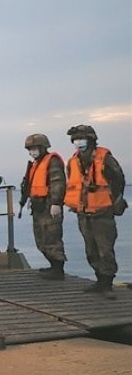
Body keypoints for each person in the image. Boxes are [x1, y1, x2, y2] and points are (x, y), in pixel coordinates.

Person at [63, 124, 126, 296]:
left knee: (105, 249)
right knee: (90, 249)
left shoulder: (105, 158)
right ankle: (99, 280)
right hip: (83, 213)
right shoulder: (72, 161)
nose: (78, 143)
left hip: (103, 212)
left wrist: (116, 200)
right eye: (75, 140)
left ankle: (107, 284)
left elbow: (118, 179)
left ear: (91, 140)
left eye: (81, 139)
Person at [20, 133, 67, 280]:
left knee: (52, 237)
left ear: (42, 147)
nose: (32, 151)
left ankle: (58, 269)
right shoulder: (36, 164)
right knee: (41, 238)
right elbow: (33, 183)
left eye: (34, 148)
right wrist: (29, 198)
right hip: (38, 205)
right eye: (30, 149)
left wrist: (56, 203)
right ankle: (53, 265)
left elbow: (57, 182)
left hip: (49, 206)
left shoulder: (52, 161)